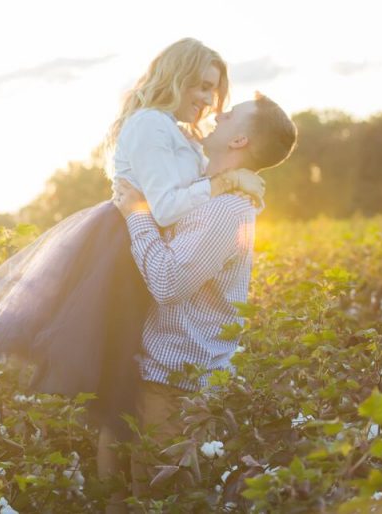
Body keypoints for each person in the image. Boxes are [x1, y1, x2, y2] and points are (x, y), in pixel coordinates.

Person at [0, 38, 263, 496]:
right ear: (177, 75)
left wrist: (226, 179)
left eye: (215, 92)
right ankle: (118, 495)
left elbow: (194, 195)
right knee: (125, 383)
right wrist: (225, 181)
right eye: (203, 86)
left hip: (146, 247)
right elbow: (163, 209)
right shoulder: (149, 124)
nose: (209, 100)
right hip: (125, 250)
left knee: (129, 385)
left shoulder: (181, 132)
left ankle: (123, 495)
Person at [112, 92, 298, 505]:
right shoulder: (203, 193)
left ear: (239, 141)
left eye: (231, 114)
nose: (220, 112)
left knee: (160, 502)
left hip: (175, 390)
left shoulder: (226, 211)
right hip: (155, 380)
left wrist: (137, 214)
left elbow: (167, 281)